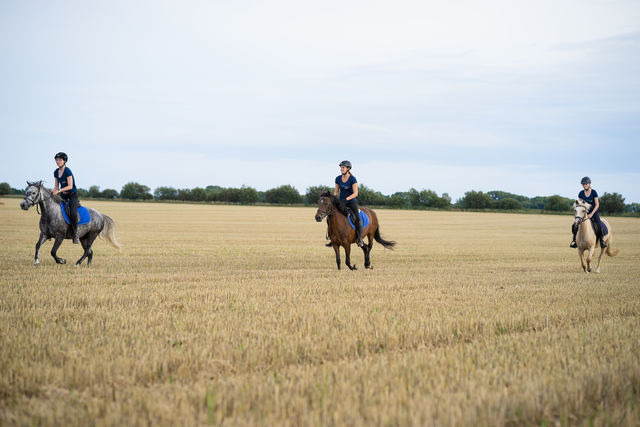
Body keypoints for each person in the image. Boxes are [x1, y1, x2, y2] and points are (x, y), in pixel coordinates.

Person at [570, 176, 606, 249]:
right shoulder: (581, 193)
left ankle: (602, 241)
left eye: (586, 184)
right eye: (583, 184)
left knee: (599, 224)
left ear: (589, 184)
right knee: (574, 225)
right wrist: (577, 213)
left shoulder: (594, 192)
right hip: (583, 213)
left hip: (593, 212)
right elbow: (579, 203)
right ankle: (575, 241)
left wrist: (592, 214)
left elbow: (597, 204)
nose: (584, 185)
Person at [335, 160, 364, 247]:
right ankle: (332, 236)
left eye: (343, 167)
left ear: (348, 168)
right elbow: (336, 192)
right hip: (341, 202)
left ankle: (359, 238)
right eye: (341, 167)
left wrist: (346, 199)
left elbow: (355, 193)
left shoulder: (352, 179)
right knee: (332, 216)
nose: (341, 169)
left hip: (351, 202)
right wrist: (332, 198)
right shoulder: (337, 178)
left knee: (357, 219)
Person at [52, 152, 80, 244]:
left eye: (60, 160)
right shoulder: (56, 172)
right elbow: (56, 187)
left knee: (73, 213)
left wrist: (59, 190)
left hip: (72, 195)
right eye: (56, 160)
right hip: (63, 196)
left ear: (64, 161)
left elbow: (70, 186)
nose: (57, 161)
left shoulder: (68, 171)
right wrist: (52, 192)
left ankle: (75, 234)